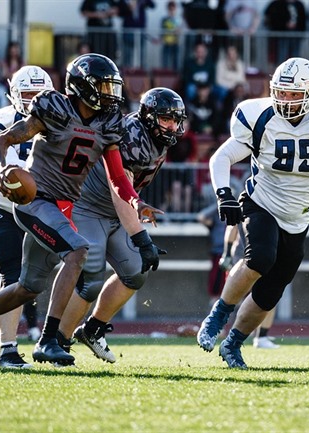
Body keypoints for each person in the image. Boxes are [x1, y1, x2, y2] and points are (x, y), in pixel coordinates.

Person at [0, 53, 161, 368]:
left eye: (111, 86)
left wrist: (136, 201)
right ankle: (49, 340)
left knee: (26, 288)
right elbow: (6, 140)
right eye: (103, 86)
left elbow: (118, 176)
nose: (109, 93)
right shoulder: (54, 108)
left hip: (64, 207)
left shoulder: (108, 122)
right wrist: (3, 167)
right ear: (82, 86)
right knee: (79, 251)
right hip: (36, 201)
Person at [196, 57, 309, 369]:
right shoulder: (258, 114)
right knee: (260, 258)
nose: (285, 99)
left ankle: (233, 344)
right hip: (261, 202)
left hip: (299, 218)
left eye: (294, 94)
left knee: (271, 293)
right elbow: (222, 157)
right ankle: (218, 315)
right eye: (280, 92)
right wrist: (223, 194)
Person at [57, 87, 186, 363]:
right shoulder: (133, 135)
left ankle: (93, 329)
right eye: (166, 119)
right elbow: (119, 190)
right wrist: (141, 238)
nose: (172, 126)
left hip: (114, 213)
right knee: (90, 279)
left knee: (136, 270)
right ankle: (57, 342)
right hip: (88, 208)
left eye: (176, 119)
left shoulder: (156, 139)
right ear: (149, 117)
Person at [0, 65, 54, 368]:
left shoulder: (61, 122)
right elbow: (14, 174)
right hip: (4, 209)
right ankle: (8, 350)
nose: (33, 102)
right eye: (27, 95)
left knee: (28, 283)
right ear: (14, 94)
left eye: (39, 96)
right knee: (14, 280)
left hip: (39, 213)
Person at [218, 224, 280, 349]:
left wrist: (227, 253)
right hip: (244, 255)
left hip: (263, 253)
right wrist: (227, 253)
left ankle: (261, 336)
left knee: (269, 294)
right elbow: (232, 226)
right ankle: (218, 327)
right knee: (235, 296)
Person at [263, 0, 307, 67]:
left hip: (296, 36)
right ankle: (281, 70)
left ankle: (295, 70)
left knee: (295, 56)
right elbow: (271, 17)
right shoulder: (277, 4)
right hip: (281, 35)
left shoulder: (299, 5)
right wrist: (284, 25)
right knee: (281, 55)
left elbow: (303, 19)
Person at [160, 0, 181, 71]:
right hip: (166, 43)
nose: (171, 11)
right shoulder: (164, 19)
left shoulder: (178, 19)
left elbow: (179, 30)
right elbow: (162, 31)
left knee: (175, 62)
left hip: (175, 43)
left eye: (173, 9)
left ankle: (175, 78)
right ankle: (165, 76)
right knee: (165, 62)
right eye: (170, 9)